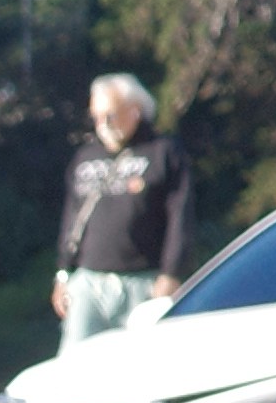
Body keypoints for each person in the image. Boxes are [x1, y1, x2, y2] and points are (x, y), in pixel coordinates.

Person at [58, 72, 190, 349]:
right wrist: (62, 273)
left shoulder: (163, 152)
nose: (103, 125)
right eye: (96, 117)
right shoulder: (84, 157)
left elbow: (180, 216)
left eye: (111, 115)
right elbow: (71, 217)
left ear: (135, 111)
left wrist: (171, 272)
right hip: (89, 283)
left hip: (143, 282)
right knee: (73, 368)